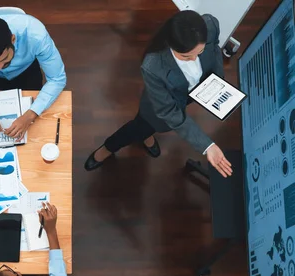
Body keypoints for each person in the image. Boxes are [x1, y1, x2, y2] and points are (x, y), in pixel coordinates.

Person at [84, 11, 233, 178]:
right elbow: (169, 112)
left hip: (190, 93)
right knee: (139, 127)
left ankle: (147, 136)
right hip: (158, 106)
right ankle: (108, 147)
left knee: (147, 129)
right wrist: (208, 146)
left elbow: (214, 47)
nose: (193, 61)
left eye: (198, 53)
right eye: (185, 56)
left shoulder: (210, 25)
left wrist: (218, 80)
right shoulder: (153, 66)